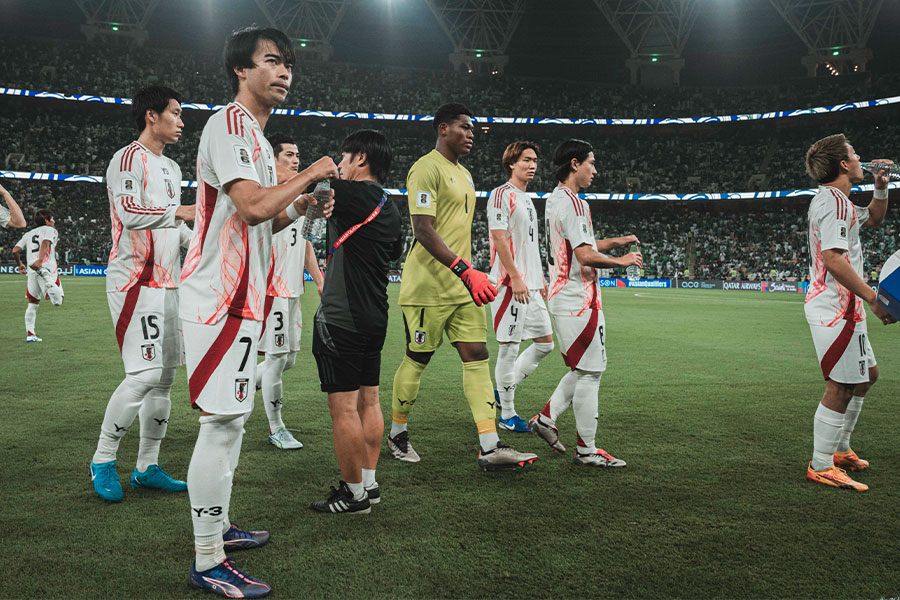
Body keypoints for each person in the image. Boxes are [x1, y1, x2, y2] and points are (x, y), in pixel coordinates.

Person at [179, 26, 337, 598]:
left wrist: (299, 205)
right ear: (241, 71)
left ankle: (219, 527)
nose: (285, 71)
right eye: (272, 61)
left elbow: (266, 217)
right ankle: (206, 558)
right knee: (220, 424)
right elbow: (248, 209)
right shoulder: (228, 124)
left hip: (245, 297)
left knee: (232, 422)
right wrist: (313, 172)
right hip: (218, 298)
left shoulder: (255, 139)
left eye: (289, 63)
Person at [390, 102, 537, 471]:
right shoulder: (425, 169)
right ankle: (396, 433)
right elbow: (423, 230)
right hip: (427, 286)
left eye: (472, 128)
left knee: (477, 358)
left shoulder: (466, 175)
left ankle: (490, 445)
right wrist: (464, 269)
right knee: (418, 358)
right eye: (464, 127)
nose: (471, 134)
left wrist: (469, 273)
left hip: (464, 285)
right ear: (443, 129)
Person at [89, 85, 196, 503]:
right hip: (135, 280)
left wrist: (199, 240)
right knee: (145, 375)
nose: (181, 121)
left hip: (169, 281)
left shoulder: (169, 169)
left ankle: (147, 467)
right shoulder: (127, 159)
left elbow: (176, 226)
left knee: (166, 376)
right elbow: (132, 214)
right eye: (175, 112)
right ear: (151, 116)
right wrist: (184, 212)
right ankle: (102, 459)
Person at [528, 139, 642, 467]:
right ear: (575, 164)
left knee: (583, 369)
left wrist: (614, 240)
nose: (595, 170)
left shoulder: (557, 199)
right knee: (591, 373)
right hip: (580, 299)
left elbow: (579, 243)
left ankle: (546, 420)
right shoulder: (575, 204)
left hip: (568, 295)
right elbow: (584, 253)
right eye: (591, 163)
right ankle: (587, 451)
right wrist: (621, 260)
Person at [310, 129, 403, 513]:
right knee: (370, 400)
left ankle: (353, 495)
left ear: (360, 159)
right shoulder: (391, 205)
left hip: (342, 317)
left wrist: (321, 180)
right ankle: (369, 482)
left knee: (344, 408)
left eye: (344, 158)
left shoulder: (348, 193)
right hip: (375, 315)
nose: (341, 164)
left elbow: (312, 189)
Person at [802, 133, 894, 492]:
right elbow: (834, 259)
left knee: (866, 376)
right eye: (855, 154)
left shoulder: (837, 200)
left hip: (843, 306)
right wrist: (873, 298)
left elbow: (873, 217)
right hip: (834, 308)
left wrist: (880, 186)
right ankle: (821, 463)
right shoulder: (835, 204)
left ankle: (839, 450)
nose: (860, 158)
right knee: (840, 385)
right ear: (843, 164)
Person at [251, 132, 324, 451]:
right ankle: (276, 427)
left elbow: (305, 240)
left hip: (293, 288)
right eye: (289, 155)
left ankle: (233, 390)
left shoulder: (300, 195)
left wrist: (318, 279)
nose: (296, 159)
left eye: (298, 155)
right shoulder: (264, 194)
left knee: (288, 359)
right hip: (272, 288)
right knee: (278, 360)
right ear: (272, 158)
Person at [487, 141, 553, 433]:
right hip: (508, 284)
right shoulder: (500, 195)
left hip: (530, 285)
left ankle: (503, 391)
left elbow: (529, 246)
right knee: (509, 348)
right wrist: (514, 277)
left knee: (545, 344)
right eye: (526, 159)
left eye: (535, 160)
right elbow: (500, 239)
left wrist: (540, 280)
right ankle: (507, 414)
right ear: (511, 163)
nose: (532, 165)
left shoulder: (527, 198)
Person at [12, 208, 64, 342]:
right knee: (58, 301)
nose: (54, 221)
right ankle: (46, 278)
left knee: (33, 303)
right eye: (52, 218)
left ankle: (30, 334)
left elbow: (15, 250)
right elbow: (45, 243)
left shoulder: (29, 233)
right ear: (46, 220)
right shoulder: (51, 230)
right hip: (45, 267)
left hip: (31, 271)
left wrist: (20, 264)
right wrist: (40, 262)